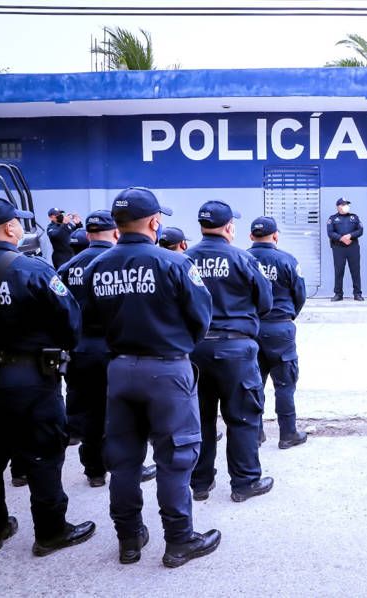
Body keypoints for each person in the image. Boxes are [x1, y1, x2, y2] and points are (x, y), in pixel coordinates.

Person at [83, 187, 218, 567]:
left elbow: (90, 321)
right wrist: (173, 348)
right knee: (174, 458)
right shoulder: (174, 263)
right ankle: (179, 540)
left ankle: (129, 540)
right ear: (156, 222)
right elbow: (201, 318)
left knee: (124, 461)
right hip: (167, 369)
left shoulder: (96, 266)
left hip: (120, 370)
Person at [0, 196, 96, 556]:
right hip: (29, 377)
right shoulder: (31, 270)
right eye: (18, 222)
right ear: (9, 228)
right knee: (43, 453)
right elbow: (70, 321)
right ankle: (51, 531)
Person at [186, 201, 274, 504]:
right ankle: (244, 482)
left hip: (195, 349)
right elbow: (265, 302)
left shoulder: (183, 259)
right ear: (229, 228)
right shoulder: (242, 258)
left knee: (201, 419)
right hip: (236, 348)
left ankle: (199, 483)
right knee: (243, 417)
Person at [57, 210, 118, 488]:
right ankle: (121, 465)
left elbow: (56, 310)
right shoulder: (120, 263)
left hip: (80, 349)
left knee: (89, 410)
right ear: (115, 232)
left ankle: (94, 470)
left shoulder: (68, 267)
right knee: (120, 410)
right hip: (114, 349)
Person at [248, 216, 308, 449]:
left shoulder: (241, 258)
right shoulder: (287, 260)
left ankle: (255, 433)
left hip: (251, 328)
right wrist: (288, 316)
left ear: (251, 236)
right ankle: (287, 434)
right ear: (275, 236)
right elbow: (299, 294)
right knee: (284, 383)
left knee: (254, 383)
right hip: (280, 327)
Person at [327, 198, 364, 302]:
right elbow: (330, 232)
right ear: (338, 206)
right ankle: (338, 294)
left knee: (355, 271)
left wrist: (350, 235)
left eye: (347, 204)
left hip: (353, 247)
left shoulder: (354, 217)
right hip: (338, 248)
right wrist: (342, 238)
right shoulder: (333, 218)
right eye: (344, 204)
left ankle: (357, 294)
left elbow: (360, 230)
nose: (346, 206)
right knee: (339, 271)